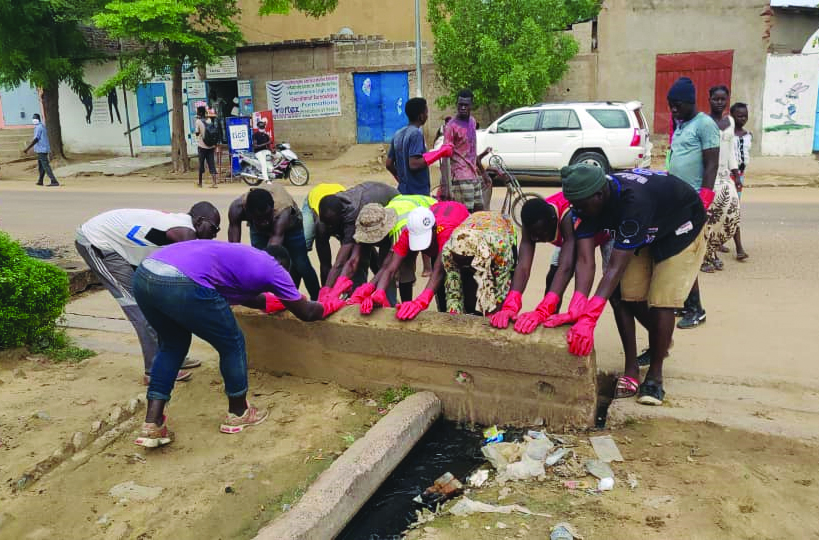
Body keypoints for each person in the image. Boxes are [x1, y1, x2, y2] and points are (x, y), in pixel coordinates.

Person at [132, 240, 345, 448]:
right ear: (283, 267)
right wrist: (330, 305)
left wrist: (275, 301)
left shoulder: (242, 257)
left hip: (146, 274)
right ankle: (238, 413)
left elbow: (248, 297)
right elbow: (307, 313)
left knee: (172, 345)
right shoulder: (274, 269)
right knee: (232, 343)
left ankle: (153, 422)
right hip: (183, 281)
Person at [560, 164, 707, 406]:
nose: (577, 211)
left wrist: (590, 318)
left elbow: (615, 269)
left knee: (661, 301)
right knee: (625, 296)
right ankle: (635, 364)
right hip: (646, 227)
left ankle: (655, 376)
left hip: (681, 227)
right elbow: (585, 260)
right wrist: (579, 305)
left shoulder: (633, 202)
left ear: (599, 195)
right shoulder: (585, 203)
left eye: (581, 206)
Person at [75, 203, 221, 384]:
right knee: (137, 307)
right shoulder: (186, 234)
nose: (215, 234)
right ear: (199, 221)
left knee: (159, 303)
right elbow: (194, 275)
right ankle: (154, 371)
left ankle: (171, 358)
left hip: (122, 247)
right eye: (214, 228)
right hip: (97, 242)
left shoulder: (180, 226)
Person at [489, 194, 611, 334]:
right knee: (552, 279)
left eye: (540, 233)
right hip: (569, 239)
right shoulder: (532, 222)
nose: (535, 238)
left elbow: (566, 267)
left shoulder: (566, 218)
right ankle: (549, 324)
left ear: (554, 222)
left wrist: (543, 310)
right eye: (532, 234)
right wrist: (510, 305)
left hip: (603, 234)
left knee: (616, 292)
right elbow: (523, 266)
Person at [666, 77, 718, 330]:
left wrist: (704, 198)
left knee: (687, 255)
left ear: (689, 102)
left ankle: (696, 309)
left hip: (693, 202)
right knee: (676, 253)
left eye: (677, 105)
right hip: (676, 200)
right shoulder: (680, 123)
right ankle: (685, 302)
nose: (673, 110)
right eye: (670, 105)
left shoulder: (705, 124)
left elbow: (711, 164)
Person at [228, 185, 320, 300]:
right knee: (257, 264)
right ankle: (265, 299)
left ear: (272, 208)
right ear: (248, 213)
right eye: (260, 218)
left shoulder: (283, 210)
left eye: (267, 216)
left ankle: (317, 299)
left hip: (291, 227)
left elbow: (272, 255)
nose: (265, 222)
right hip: (258, 230)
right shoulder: (237, 209)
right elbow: (233, 249)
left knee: (301, 264)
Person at [348, 195, 436, 306]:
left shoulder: (400, 230)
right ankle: (390, 302)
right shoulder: (378, 215)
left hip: (429, 216)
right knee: (385, 264)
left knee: (404, 266)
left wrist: (368, 289)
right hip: (406, 205)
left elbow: (388, 266)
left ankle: (406, 303)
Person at [317, 182, 399, 299]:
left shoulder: (351, 216)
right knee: (359, 261)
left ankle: (388, 303)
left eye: (331, 225)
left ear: (342, 217)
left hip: (389, 210)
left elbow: (341, 263)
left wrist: (331, 292)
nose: (328, 228)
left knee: (386, 265)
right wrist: (326, 290)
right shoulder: (329, 214)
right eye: (325, 223)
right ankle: (356, 298)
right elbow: (352, 259)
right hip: (367, 207)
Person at [440, 212, 517, 315]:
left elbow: (502, 287)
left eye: (465, 262)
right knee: (470, 287)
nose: (461, 266)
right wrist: (453, 312)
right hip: (475, 228)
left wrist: (496, 314)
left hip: (501, 232)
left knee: (499, 285)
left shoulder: (500, 247)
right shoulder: (449, 251)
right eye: (458, 262)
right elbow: (453, 286)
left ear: (476, 257)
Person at [701, 86, 740, 274]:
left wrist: (736, 172)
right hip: (709, 177)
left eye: (722, 99)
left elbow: (731, 149)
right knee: (708, 219)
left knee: (729, 216)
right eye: (715, 99)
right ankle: (704, 256)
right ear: (709, 99)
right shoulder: (704, 122)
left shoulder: (730, 121)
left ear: (727, 100)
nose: (719, 102)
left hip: (725, 177)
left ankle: (714, 251)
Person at [386, 97, 453, 196]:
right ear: (421, 116)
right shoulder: (416, 134)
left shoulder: (397, 134)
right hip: (417, 195)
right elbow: (414, 164)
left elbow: (388, 164)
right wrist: (440, 153)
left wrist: (402, 180)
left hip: (402, 192)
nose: (427, 115)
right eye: (426, 112)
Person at [443, 89, 489, 212]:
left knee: (479, 212)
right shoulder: (451, 127)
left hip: (474, 176)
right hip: (460, 178)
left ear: (471, 106)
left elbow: (472, 152)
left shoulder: (473, 122)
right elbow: (445, 157)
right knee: (465, 215)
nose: (463, 107)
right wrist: (446, 185)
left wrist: (483, 173)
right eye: (460, 104)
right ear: (456, 104)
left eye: (466, 105)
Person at [730, 102, 751, 261]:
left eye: (745, 116)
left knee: (733, 211)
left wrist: (740, 177)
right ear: (732, 116)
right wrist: (736, 176)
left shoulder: (748, 135)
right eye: (739, 116)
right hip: (729, 176)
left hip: (740, 177)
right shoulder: (728, 135)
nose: (743, 118)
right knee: (732, 211)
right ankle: (739, 248)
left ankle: (719, 242)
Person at [301, 183, 346, 253]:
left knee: (347, 240)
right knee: (304, 241)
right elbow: (322, 243)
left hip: (337, 192)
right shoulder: (319, 217)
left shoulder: (348, 214)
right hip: (315, 194)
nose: (330, 227)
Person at [23, 113, 59, 187]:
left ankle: (54, 181)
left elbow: (36, 139)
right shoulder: (41, 126)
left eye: (34, 118)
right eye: (33, 118)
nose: (33, 120)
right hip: (41, 149)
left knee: (45, 166)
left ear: (37, 119)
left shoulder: (38, 127)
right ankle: (40, 181)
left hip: (42, 149)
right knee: (41, 166)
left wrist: (27, 148)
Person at [195, 106, 218, 189]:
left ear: (200, 113)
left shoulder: (198, 121)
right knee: (211, 163)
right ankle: (214, 183)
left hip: (202, 146)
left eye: (197, 112)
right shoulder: (209, 120)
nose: (197, 113)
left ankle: (200, 183)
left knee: (201, 164)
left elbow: (197, 133)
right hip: (211, 146)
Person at [252, 118, 272, 183]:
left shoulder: (266, 135)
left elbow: (269, 146)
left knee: (273, 158)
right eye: (261, 127)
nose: (262, 128)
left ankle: (271, 173)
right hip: (258, 152)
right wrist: (266, 143)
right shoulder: (255, 135)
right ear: (258, 127)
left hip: (265, 151)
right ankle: (266, 180)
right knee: (264, 164)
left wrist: (272, 150)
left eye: (263, 127)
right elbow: (255, 146)